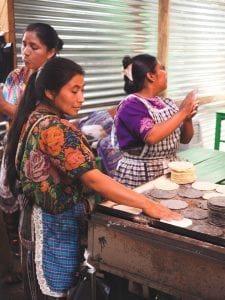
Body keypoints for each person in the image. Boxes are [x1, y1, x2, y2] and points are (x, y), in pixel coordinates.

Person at [4, 57, 181, 299]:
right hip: (53, 228)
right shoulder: (54, 128)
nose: (82, 98)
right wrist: (149, 205)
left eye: (83, 89)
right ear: (49, 92)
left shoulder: (35, 117)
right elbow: (94, 180)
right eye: (74, 90)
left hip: (38, 221)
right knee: (57, 292)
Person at [0, 23, 63, 261]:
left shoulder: (54, 81)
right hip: (13, 143)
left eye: (33, 46)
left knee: (36, 203)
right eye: (24, 44)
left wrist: (6, 107)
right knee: (11, 198)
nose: (25, 51)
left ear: (51, 52)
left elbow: (42, 119)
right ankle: (20, 248)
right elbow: (9, 117)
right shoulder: (15, 76)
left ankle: (40, 254)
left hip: (39, 151)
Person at [114, 54, 198, 188]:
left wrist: (187, 119)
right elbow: (151, 136)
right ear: (151, 76)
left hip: (168, 170)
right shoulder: (131, 105)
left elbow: (185, 139)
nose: (166, 72)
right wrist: (183, 112)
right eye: (162, 68)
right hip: (140, 175)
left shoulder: (167, 103)